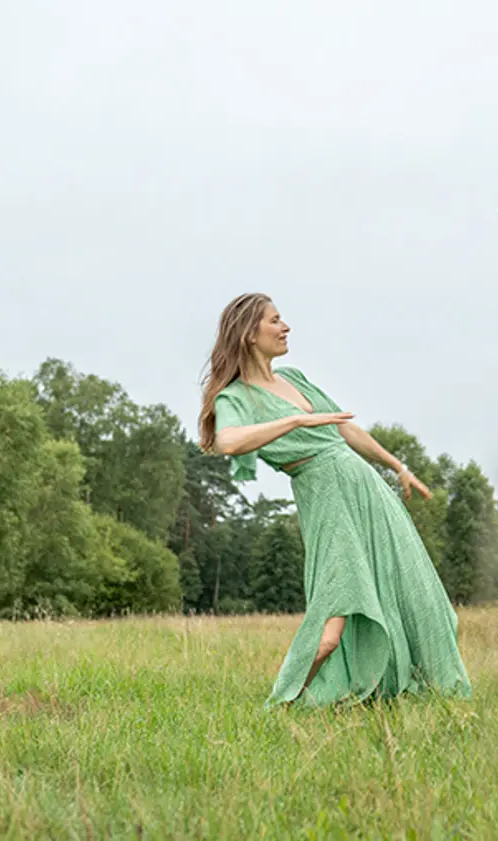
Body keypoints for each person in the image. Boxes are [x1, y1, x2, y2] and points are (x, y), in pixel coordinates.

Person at [198, 293, 473, 707]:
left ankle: (400, 686)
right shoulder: (236, 398)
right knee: (334, 617)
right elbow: (228, 441)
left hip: (368, 493)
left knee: (415, 590)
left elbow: (346, 428)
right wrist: (293, 420)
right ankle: (284, 703)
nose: (285, 326)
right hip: (326, 498)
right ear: (250, 334)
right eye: (275, 320)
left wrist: (397, 466)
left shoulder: (297, 379)